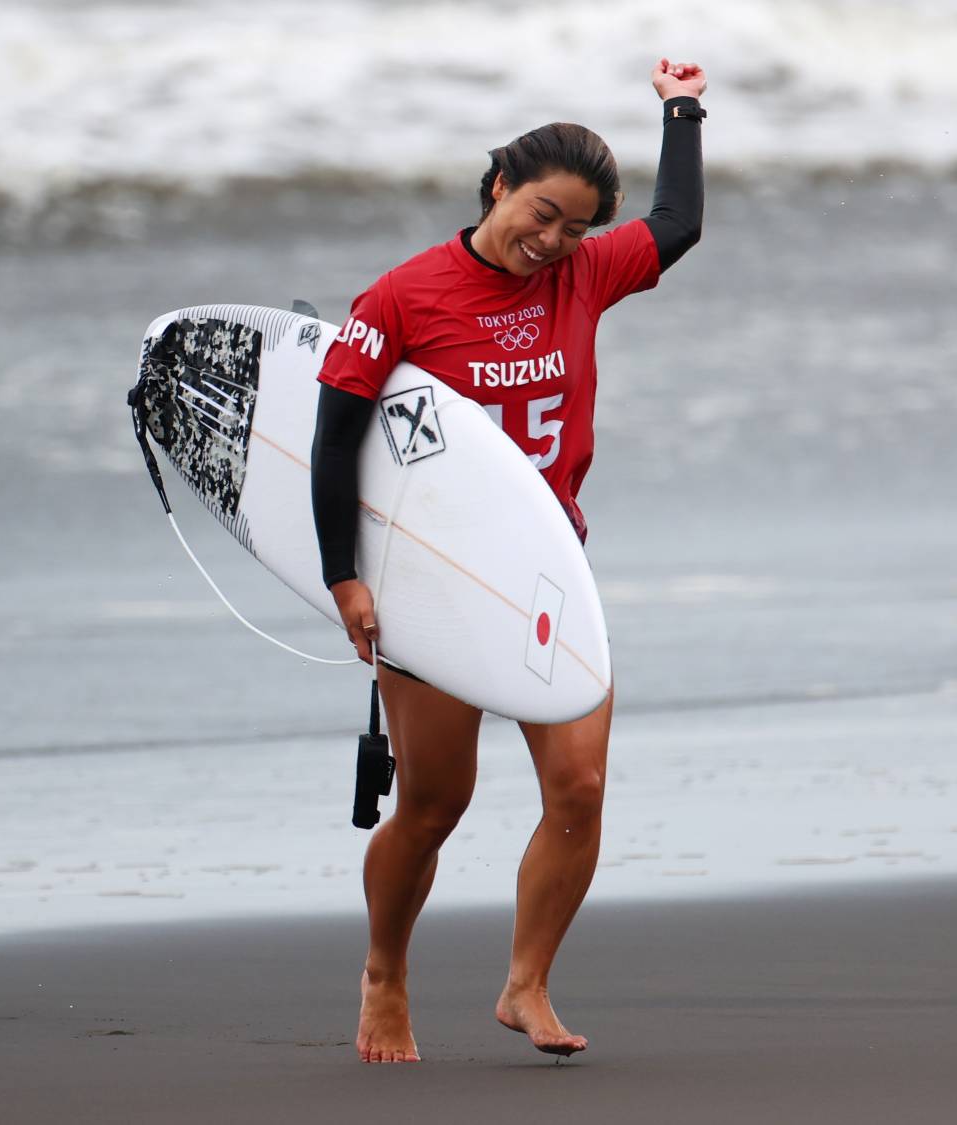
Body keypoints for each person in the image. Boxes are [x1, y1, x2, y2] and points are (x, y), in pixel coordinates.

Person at [308, 59, 708, 1063]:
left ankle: (524, 986)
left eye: (574, 228)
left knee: (576, 791)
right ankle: (383, 977)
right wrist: (343, 576)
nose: (553, 241)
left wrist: (682, 108)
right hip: (433, 586)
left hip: (544, 576)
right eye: (541, 214)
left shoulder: (584, 274)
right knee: (434, 804)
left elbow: (675, 222)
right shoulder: (401, 297)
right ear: (497, 186)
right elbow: (331, 438)